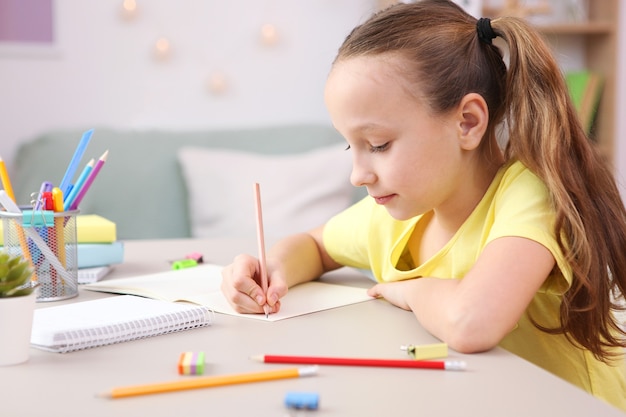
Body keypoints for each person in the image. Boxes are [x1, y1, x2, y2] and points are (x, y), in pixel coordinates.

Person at [221, 0, 626, 410]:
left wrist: (409, 291)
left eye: (378, 145)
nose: (357, 175)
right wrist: (271, 271)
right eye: (351, 145)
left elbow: (471, 323)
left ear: (467, 122)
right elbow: (314, 245)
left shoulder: (529, 195)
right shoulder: (397, 214)